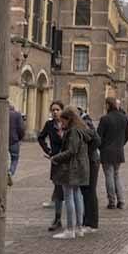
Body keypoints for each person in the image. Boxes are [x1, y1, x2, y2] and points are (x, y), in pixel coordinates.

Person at [50, 107, 91, 239]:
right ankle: (78, 227)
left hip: (72, 167)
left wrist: (56, 157)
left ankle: (70, 229)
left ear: (69, 119)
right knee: (77, 194)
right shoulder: (82, 129)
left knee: (69, 196)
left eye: (63, 121)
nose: (62, 124)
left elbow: (71, 150)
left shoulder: (73, 131)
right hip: (81, 165)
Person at [98, 96, 128, 210]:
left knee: (109, 176)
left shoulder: (105, 119)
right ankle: (121, 201)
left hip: (106, 152)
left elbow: (98, 137)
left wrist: (101, 147)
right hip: (119, 151)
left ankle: (111, 201)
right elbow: (127, 135)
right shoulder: (123, 118)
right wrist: (120, 145)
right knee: (116, 175)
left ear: (108, 105)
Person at [37, 101, 65, 231]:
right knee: (58, 189)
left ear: (62, 111)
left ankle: (78, 219)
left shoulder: (67, 124)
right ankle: (57, 219)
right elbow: (41, 137)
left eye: (57, 110)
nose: (55, 112)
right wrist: (48, 151)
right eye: (53, 110)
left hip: (68, 160)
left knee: (74, 191)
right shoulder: (49, 125)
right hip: (56, 160)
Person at [80, 108, 101, 233]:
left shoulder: (85, 125)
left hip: (92, 161)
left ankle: (91, 223)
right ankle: (86, 220)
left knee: (90, 191)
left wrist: (87, 153)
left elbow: (97, 140)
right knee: (86, 192)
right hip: (90, 160)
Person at [7, 103, 25, 186]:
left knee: (2, 159)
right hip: (14, 140)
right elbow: (21, 128)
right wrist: (20, 138)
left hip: (2, 141)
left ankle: (4, 173)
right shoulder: (17, 114)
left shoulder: (3, 113)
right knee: (14, 158)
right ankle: (10, 172)